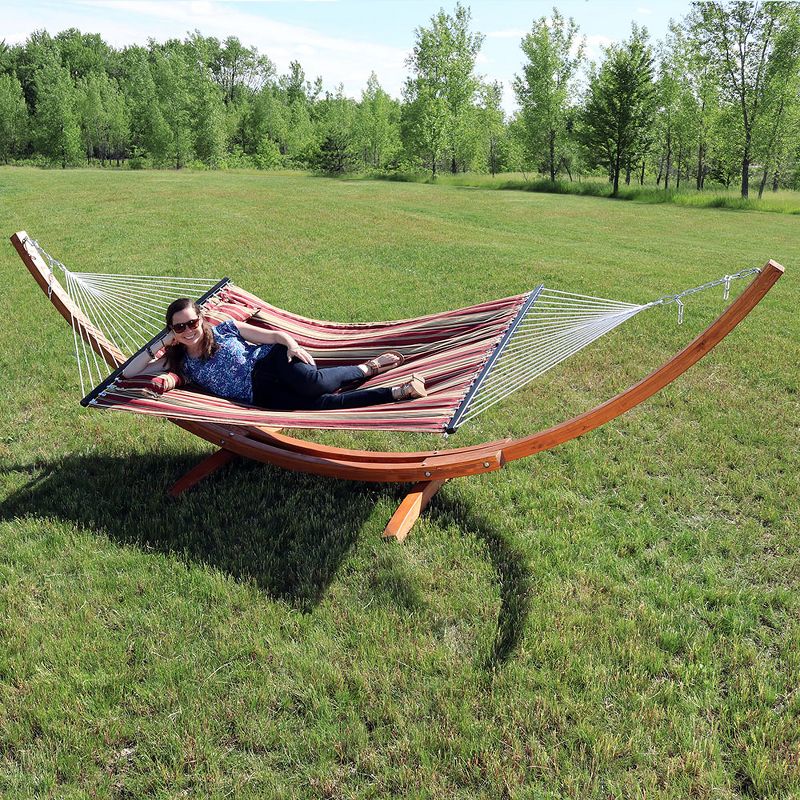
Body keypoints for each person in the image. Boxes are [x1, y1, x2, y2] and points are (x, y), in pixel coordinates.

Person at [123, 297, 427, 410]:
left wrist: (292, 344)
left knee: (314, 383)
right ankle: (397, 392)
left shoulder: (227, 328)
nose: (188, 329)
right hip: (259, 395)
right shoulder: (180, 361)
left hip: (273, 360)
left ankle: (366, 369)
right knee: (321, 405)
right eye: (179, 327)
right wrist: (161, 341)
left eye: (191, 322)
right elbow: (129, 372)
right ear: (173, 332)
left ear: (201, 319)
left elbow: (271, 336)